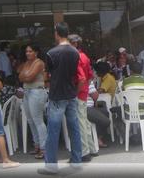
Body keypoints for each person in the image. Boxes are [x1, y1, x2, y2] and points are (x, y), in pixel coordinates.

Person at [38, 22, 81, 175]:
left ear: (57, 33)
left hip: (57, 94)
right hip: (71, 93)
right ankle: (77, 161)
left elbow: (48, 74)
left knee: (53, 131)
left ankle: (51, 165)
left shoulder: (51, 53)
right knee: (74, 128)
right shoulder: (75, 52)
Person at [18, 44, 47, 159]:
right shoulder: (26, 63)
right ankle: (37, 145)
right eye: (26, 51)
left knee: (38, 121)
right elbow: (20, 77)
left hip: (36, 92)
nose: (28, 53)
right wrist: (26, 75)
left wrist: (26, 75)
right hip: (27, 91)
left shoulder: (39, 63)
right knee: (30, 120)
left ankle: (44, 148)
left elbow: (30, 77)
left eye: (30, 51)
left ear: (36, 52)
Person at [68, 34, 94, 163]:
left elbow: (82, 78)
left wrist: (75, 92)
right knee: (84, 122)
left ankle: (84, 152)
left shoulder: (75, 57)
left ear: (75, 44)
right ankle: (92, 148)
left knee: (80, 123)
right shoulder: (84, 56)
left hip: (78, 93)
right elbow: (90, 76)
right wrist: (85, 89)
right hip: (83, 92)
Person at [86, 80, 111, 150]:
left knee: (104, 111)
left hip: (89, 106)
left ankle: (99, 135)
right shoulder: (85, 78)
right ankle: (97, 138)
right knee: (106, 121)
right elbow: (95, 95)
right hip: (86, 108)